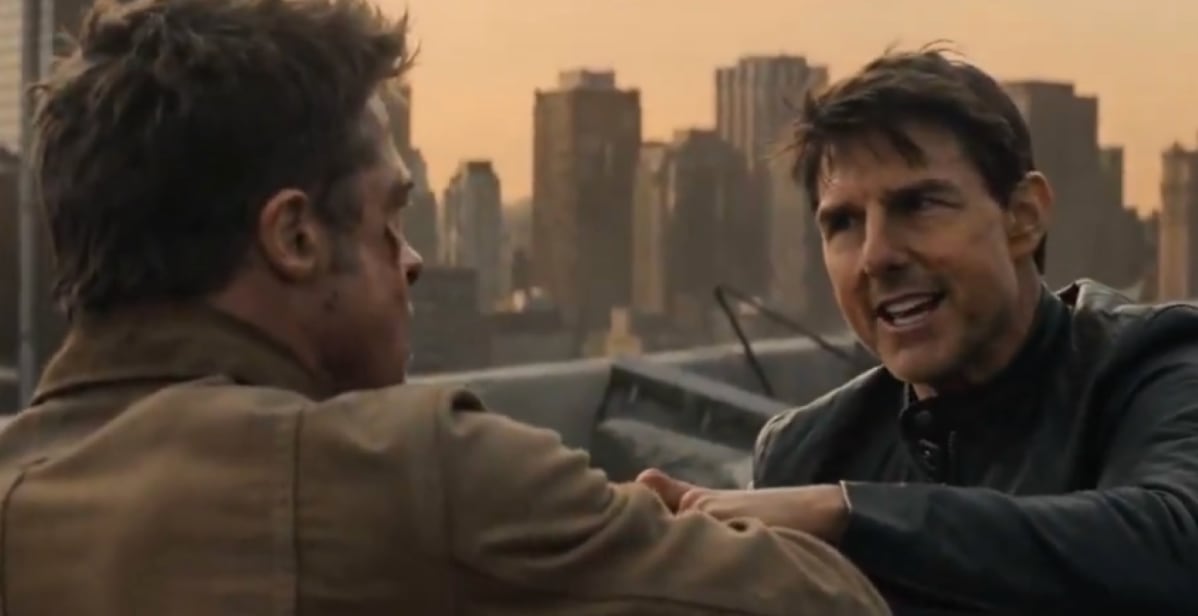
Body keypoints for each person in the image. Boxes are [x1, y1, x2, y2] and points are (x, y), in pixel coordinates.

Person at [0, 1, 892, 614]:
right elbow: (833, 603)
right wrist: (636, 524)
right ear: (295, 237)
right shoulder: (413, 474)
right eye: (390, 218)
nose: (414, 259)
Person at [638, 48, 1198, 614]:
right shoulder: (807, 451)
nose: (876, 256)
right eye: (844, 223)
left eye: (919, 204)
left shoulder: (1157, 364)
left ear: (1023, 217)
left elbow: (1175, 546)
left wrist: (846, 515)